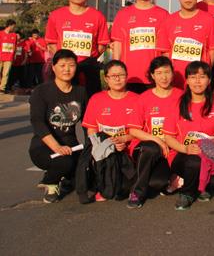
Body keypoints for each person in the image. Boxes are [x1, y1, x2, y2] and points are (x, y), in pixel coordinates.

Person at [162, 61, 214, 210]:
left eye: (202, 77)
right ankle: (187, 193)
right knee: (194, 161)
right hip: (182, 154)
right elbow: (168, 137)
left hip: (209, 155)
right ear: (186, 80)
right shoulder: (176, 104)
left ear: (209, 80)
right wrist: (185, 149)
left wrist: (212, 152)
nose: (197, 81)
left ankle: (198, 184)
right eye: (193, 77)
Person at [29, 49, 88, 203]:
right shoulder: (41, 91)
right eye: (62, 65)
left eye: (71, 65)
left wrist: (91, 146)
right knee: (64, 162)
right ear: (53, 68)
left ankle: (68, 179)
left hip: (71, 145)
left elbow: (87, 123)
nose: (67, 69)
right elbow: (37, 122)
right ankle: (50, 182)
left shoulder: (81, 92)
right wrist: (57, 147)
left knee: (87, 173)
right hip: (44, 146)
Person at [126, 56, 182, 208]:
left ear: (172, 73)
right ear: (152, 75)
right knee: (151, 147)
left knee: (158, 183)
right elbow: (133, 130)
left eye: (167, 72)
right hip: (147, 148)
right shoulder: (144, 98)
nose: (164, 77)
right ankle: (137, 192)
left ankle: (146, 178)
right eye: (159, 73)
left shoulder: (181, 96)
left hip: (170, 149)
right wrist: (158, 140)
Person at [82, 60, 139, 201]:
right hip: (105, 148)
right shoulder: (96, 99)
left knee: (124, 186)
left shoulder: (137, 99)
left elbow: (142, 131)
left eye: (121, 75)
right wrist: (107, 145)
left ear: (126, 76)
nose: (117, 79)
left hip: (128, 148)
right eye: (113, 76)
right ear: (106, 78)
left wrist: (125, 140)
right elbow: (91, 130)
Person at [45, 0, 110, 98]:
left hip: (89, 68)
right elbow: (51, 43)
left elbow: (102, 45)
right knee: (63, 101)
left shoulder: (98, 16)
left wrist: (88, 59)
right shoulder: (56, 15)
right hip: (64, 68)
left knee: (90, 100)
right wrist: (63, 60)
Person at [157, 0, 214, 88]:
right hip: (176, 82)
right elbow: (165, 51)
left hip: (199, 83)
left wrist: (203, 72)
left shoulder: (209, 20)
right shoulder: (168, 21)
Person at [111, 0, 169, 94]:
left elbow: (166, 49)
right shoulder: (123, 14)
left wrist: (165, 73)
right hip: (128, 76)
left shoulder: (163, 15)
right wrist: (116, 70)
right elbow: (118, 44)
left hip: (154, 77)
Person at [0, 20, 18, 93]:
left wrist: (14, 55)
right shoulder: (0, 33)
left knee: (6, 73)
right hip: (0, 56)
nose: (14, 28)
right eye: (14, 26)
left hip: (9, 58)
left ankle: (2, 88)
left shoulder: (14, 35)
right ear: (10, 25)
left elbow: (15, 46)